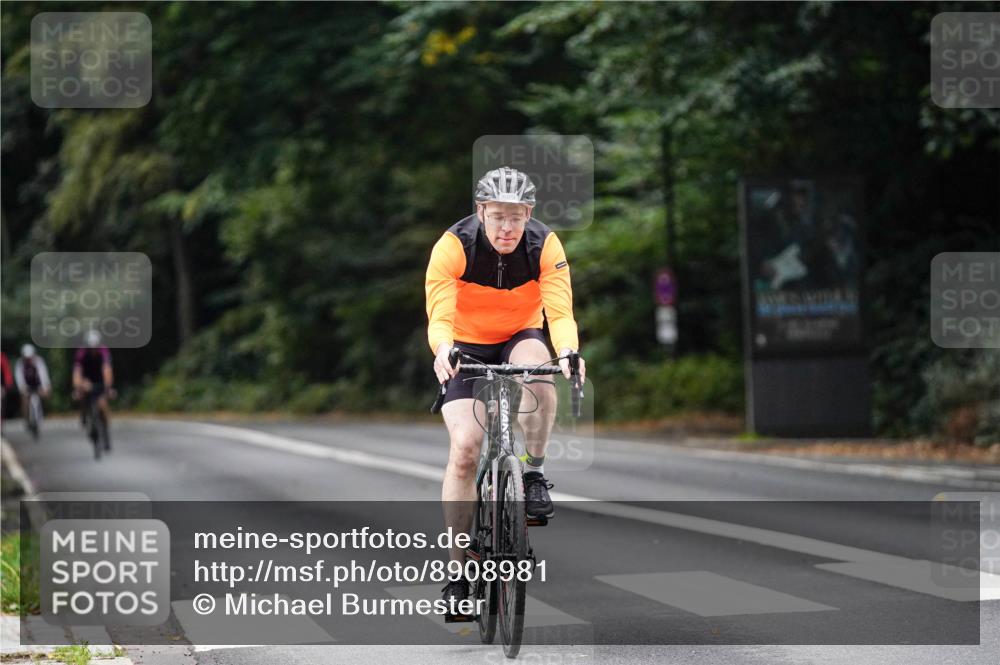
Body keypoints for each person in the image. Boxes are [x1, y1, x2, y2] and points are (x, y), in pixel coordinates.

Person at [425, 166, 586, 608]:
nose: (507, 227)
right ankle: (457, 574)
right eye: (497, 216)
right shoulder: (453, 246)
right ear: (481, 212)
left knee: (540, 369)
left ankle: (532, 473)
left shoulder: (544, 245)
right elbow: (439, 313)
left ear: (528, 213)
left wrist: (569, 350)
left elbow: (560, 311)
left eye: (516, 216)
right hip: (463, 345)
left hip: (520, 336)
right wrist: (442, 349)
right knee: (465, 450)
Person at [73, 330, 115, 448]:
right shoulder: (81, 353)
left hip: (100, 380)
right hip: (87, 380)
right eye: (90, 348)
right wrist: (78, 386)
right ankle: (84, 415)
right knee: (82, 395)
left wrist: (108, 387)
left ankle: (106, 431)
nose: (92, 350)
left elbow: (107, 370)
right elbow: (77, 372)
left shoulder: (104, 351)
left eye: (94, 348)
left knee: (102, 404)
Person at [14, 344, 51, 425]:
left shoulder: (39, 361)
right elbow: (19, 377)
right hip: (26, 386)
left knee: (46, 394)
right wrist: (22, 388)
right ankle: (26, 417)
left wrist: (45, 387)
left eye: (30, 357)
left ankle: (44, 412)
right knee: (24, 398)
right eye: (26, 358)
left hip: (37, 385)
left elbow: (43, 375)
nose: (28, 360)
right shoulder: (20, 364)